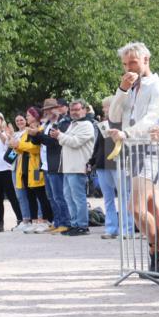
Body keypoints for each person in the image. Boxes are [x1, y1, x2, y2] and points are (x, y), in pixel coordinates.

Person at [109, 42, 159, 272]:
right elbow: (114, 115)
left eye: (133, 62)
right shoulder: (131, 87)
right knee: (154, 209)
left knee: (135, 208)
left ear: (146, 59)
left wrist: (127, 133)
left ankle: (156, 249)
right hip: (134, 150)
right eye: (125, 64)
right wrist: (122, 89)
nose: (129, 68)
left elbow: (150, 119)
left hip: (154, 150)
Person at [51, 99, 96, 236]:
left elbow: (75, 142)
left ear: (84, 110)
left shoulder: (87, 125)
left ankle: (82, 225)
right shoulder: (73, 124)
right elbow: (66, 142)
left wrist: (59, 135)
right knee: (69, 197)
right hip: (68, 167)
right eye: (72, 110)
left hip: (78, 166)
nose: (74, 112)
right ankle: (75, 223)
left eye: (77, 109)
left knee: (78, 198)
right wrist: (60, 136)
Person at [29, 99, 72, 233]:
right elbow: (38, 141)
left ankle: (65, 222)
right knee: (51, 197)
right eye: (46, 110)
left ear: (57, 109)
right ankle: (57, 221)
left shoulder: (63, 123)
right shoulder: (47, 123)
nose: (47, 112)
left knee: (59, 196)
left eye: (50, 109)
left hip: (56, 163)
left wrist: (38, 134)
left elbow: (54, 142)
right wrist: (34, 134)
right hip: (46, 164)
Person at [94, 96, 131, 239]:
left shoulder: (126, 123)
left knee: (124, 196)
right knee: (108, 198)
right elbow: (98, 144)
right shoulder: (103, 123)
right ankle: (111, 228)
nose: (104, 109)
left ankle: (127, 229)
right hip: (102, 163)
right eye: (104, 107)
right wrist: (92, 161)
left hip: (120, 163)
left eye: (107, 106)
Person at [11, 109, 53, 234]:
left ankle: (45, 220)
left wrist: (19, 145)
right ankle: (34, 221)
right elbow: (21, 148)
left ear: (35, 117)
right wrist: (15, 145)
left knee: (41, 195)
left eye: (28, 115)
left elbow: (35, 148)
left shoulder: (40, 130)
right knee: (30, 196)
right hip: (23, 167)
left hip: (35, 167)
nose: (27, 117)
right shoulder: (26, 132)